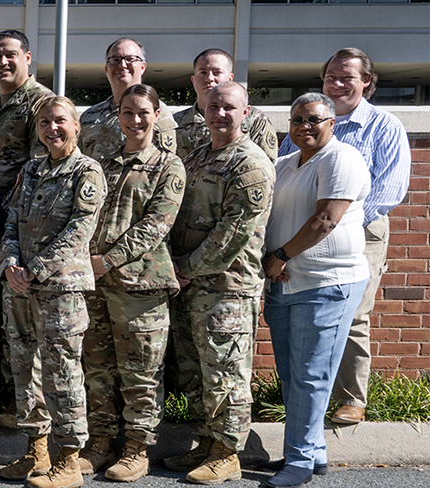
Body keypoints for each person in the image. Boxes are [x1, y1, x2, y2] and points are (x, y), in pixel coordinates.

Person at [277, 49, 411, 427]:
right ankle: (306, 397)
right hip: (303, 233)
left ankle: (351, 398)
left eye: (346, 78)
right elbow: (287, 173)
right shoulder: (306, 122)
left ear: (366, 82)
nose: (336, 84)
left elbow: (390, 190)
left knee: (352, 314)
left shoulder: (384, 126)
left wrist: (341, 222)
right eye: (330, 77)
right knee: (303, 311)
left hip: (361, 234)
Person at [162, 82, 274, 485]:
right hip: (189, 285)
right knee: (196, 371)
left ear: (245, 113)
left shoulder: (250, 164)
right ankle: (206, 444)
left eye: (229, 107)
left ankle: (228, 454)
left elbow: (234, 234)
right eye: (213, 107)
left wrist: (186, 268)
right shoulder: (196, 157)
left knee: (225, 373)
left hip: (226, 288)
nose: (220, 114)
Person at [259, 93, 371, 488]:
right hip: (285, 284)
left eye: (313, 120)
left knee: (311, 374)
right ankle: (312, 450)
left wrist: (281, 255)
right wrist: (274, 262)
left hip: (327, 282)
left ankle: (300, 460)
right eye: (297, 120)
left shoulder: (342, 159)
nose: (304, 126)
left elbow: (326, 219)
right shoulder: (284, 164)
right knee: (292, 374)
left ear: (331, 122)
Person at [0, 95, 105, 488]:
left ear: (76, 126)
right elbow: (9, 224)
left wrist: (34, 270)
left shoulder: (86, 172)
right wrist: (9, 265)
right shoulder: (31, 169)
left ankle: (69, 459)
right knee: (25, 368)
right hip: (20, 288)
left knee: (62, 372)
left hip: (60, 290)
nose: (51, 129)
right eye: (44, 122)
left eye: (59, 121)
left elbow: (79, 231)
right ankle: (36, 450)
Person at [79, 84, 185, 482]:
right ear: (117, 116)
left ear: (156, 115)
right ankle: (101, 443)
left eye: (142, 112)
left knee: (141, 371)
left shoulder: (168, 166)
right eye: (127, 112)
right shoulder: (102, 164)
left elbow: (156, 225)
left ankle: (137, 449)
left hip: (141, 287)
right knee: (99, 368)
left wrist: (107, 260)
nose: (135, 119)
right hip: (97, 286)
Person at [0, 27, 55, 432]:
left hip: (18, 233)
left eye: (9, 55)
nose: (2, 62)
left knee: (20, 325)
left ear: (27, 57)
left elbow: (40, 173)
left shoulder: (42, 104)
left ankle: (27, 410)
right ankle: (0, 402)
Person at [79, 37, 177, 164]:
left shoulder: (158, 111)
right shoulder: (89, 116)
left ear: (142, 67)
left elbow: (165, 162)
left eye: (130, 59)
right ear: (106, 69)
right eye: (115, 60)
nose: (122, 65)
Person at [172, 48, 278, 160]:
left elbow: (266, 163)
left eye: (217, 72)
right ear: (193, 80)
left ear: (230, 78)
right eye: (203, 72)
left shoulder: (254, 120)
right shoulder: (176, 122)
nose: (209, 78)